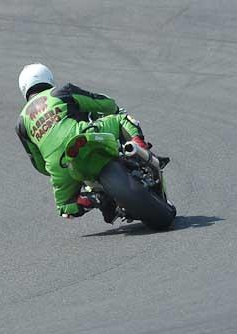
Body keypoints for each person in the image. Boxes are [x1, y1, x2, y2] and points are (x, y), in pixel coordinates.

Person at [15, 63, 153, 222]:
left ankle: (91, 199)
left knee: (66, 207)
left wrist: (57, 170)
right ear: (49, 78)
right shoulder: (60, 92)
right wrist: (112, 109)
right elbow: (106, 104)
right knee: (121, 119)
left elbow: (39, 164)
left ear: (24, 89)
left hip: (59, 165)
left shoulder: (21, 124)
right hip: (81, 136)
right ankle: (138, 149)